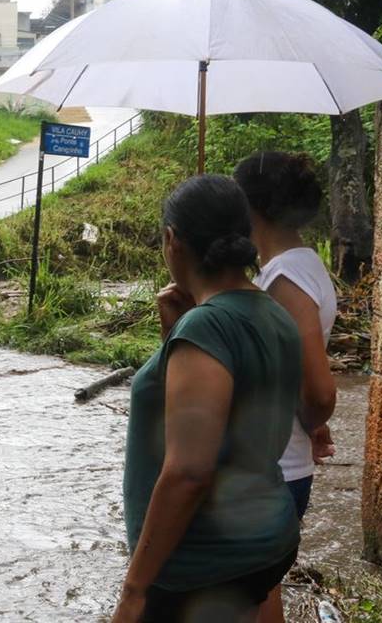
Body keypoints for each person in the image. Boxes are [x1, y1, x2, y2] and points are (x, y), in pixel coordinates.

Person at [113, 175, 302, 623]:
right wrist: (173, 334)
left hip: (199, 564)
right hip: (265, 539)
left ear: (171, 239)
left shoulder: (206, 329)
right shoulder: (274, 313)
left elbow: (189, 472)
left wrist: (134, 589)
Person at [234, 152, 338, 623]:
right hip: (281, 466)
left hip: (274, 468)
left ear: (250, 208)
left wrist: (312, 421)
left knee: (245, 591)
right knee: (258, 591)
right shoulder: (298, 265)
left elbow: (319, 391)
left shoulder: (285, 279)